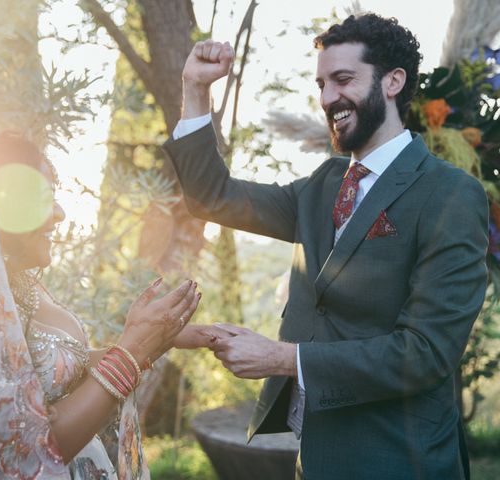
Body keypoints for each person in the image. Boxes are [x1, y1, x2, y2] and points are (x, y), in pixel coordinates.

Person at [163, 13, 489, 480]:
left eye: (343, 79)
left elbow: (426, 353)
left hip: (401, 461)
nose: (328, 98)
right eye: (321, 84)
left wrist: (281, 358)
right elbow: (213, 196)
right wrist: (195, 90)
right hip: (315, 455)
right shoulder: (322, 185)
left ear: (393, 81)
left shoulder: (450, 193)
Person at [0, 131, 217, 479]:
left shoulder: (16, 287)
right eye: (43, 198)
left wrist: (155, 339)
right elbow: (20, 454)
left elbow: (51, 371)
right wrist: (130, 354)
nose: (60, 213)